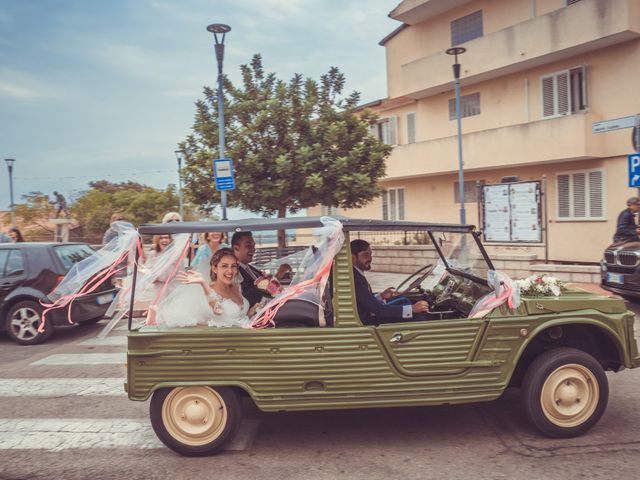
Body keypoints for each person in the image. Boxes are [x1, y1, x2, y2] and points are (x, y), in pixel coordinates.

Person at [155, 248, 255, 328]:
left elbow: (238, 317)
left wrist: (252, 311)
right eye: (224, 266)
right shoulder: (208, 291)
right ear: (215, 268)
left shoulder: (237, 286)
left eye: (234, 266)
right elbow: (219, 312)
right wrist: (203, 283)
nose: (230, 271)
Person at [351, 239, 428, 326]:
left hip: (368, 314)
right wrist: (412, 309)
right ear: (353, 257)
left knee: (403, 301)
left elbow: (365, 300)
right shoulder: (356, 279)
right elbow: (378, 310)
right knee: (417, 317)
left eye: (370, 254)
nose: (370, 258)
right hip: (367, 321)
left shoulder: (356, 273)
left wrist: (381, 296)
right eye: (366, 254)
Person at [231, 231, 291, 308]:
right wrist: (277, 276)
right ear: (236, 248)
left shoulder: (251, 269)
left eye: (253, 246)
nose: (253, 249)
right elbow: (247, 298)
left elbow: (269, 289)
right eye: (248, 246)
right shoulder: (233, 271)